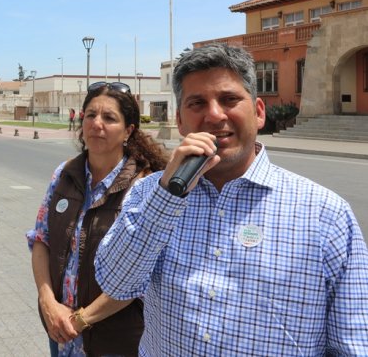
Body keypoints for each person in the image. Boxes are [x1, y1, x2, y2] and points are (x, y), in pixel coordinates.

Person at [95, 44, 368, 355]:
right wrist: (168, 197)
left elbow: (353, 343)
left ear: (259, 112)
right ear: (181, 121)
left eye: (229, 99)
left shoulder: (325, 214)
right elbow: (115, 283)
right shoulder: (150, 194)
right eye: (197, 103)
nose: (214, 115)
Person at [27, 81, 168, 356]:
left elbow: (137, 274)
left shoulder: (143, 186)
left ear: (128, 130)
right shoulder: (64, 174)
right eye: (90, 115)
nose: (96, 123)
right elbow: (41, 240)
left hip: (112, 340)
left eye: (109, 117)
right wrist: (47, 302)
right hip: (59, 330)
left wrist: (81, 319)